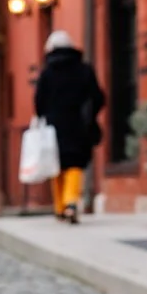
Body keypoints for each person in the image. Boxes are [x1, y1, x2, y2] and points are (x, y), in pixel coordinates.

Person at [32, 30, 105, 223]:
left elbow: (39, 101)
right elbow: (98, 97)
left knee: (55, 165)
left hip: (54, 125)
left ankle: (60, 207)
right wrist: (90, 114)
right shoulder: (84, 69)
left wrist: (43, 116)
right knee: (75, 164)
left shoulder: (47, 73)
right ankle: (71, 201)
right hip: (78, 124)